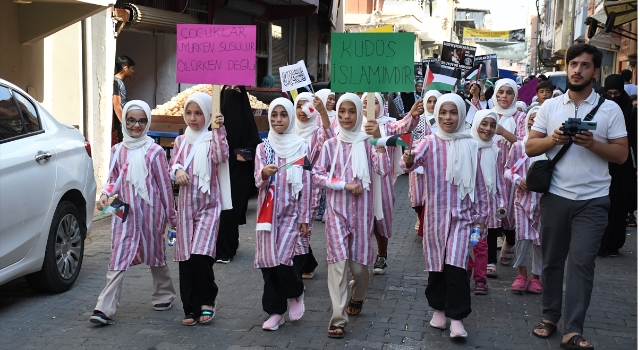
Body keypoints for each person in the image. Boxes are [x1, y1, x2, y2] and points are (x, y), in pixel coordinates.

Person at [526, 44, 628, 349]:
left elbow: (622, 155)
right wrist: (553, 139)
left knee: (582, 262)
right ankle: (549, 316)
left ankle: (573, 329)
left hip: (594, 200)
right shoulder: (550, 107)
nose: (577, 70)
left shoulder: (611, 109)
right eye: (573, 64)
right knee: (552, 260)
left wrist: (592, 144)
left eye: (584, 66)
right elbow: (530, 147)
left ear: (595, 72)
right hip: (556, 195)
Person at [400, 94, 488, 338]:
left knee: (456, 265)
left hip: (463, 218)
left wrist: (482, 217)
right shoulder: (429, 141)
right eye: (443, 113)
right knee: (436, 265)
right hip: (435, 218)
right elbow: (409, 161)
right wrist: (407, 159)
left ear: (461, 115)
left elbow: (479, 184)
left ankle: (457, 318)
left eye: (453, 112)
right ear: (436, 115)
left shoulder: (472, 145)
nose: (448, 117)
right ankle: (438, 309)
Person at [90, 100, 177, 325]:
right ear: (124, 121)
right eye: (131, 120)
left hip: (151, 211)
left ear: (147, 122)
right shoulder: (117, 150)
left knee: (155, 255)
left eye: (141, 121)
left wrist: (171, 216)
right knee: (118, 256)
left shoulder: (155, 151)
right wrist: (104, 195)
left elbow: (165, 186)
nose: (136, 125)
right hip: (123, 210)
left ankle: (164, 294)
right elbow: (113, 179)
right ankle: (104, 308)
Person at [312, 93, 389, 338]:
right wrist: (342, 185)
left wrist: (378, 139)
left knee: (358, 269)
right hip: (336, 213)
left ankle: (358, 295)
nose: (346, 116)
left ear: (359, 113)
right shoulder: (330, 144)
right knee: (337, 264)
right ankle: (338, 317)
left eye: (351, 111)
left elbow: (383, 169)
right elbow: (316, 175)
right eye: (342, 111)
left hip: (362, 214)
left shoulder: (368, 143)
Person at [170, 92, 230, 326]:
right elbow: (173, 163)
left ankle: (207, 302)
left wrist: (219, 130)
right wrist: (177, 171)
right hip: (185, 209)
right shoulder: (180, 141)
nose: (193, 118)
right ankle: (190, 308)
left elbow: (221, 156)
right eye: (189, 112)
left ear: (207, 114)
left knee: (200, 257)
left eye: (198, 113)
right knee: (185, 259)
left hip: (208, 208)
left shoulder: (213, 137)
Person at [254, 98, 310, 331]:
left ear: (291, 117)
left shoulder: (301, 146)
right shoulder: (263, 147)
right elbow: (256, 180)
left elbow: (306, 183)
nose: (278, 119)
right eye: (274, 115)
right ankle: (275, 312)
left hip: (291, 214)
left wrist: (305, 217)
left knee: (284, 261)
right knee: (269, 264)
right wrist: (264, 173)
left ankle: (296, 293)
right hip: (267, 217)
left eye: (283, 115)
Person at [362, 92, 423, 275]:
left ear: (382, 105)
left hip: (382, 181)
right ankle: (362, 256)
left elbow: (404, 126)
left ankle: (381, 254)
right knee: (361, 220)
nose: (369, 107)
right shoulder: (354, 124)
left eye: (374, 103)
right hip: (360, 181)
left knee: (381, 219)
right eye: (365, 102)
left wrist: (412, 114)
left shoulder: (387, 125)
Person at [215, 85, 262, 264]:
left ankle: (225, 250)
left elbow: (254, 144)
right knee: (221, 208)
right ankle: (226, 246)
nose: (231, 93)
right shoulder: (216, 118)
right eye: (227, 91)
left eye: (235, 91)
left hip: (240, 168)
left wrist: (247, 152)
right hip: (222, 165)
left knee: (231, 208)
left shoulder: (245, 118)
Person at [291, 92, 335, 280]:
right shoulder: (287, 129)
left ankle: (296, 269)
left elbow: (331, 137)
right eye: (298, 106)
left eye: (306, 107)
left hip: (309, 188)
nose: (302, 111)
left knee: (304, 227)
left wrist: (323, 113)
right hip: (288, 188)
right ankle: (305, 262)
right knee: (291, 226)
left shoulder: (317, 133)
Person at [504, 108, 545, 294]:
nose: (533, 122)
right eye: (531, 119)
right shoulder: (519, 147)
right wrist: (519, 181)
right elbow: (507, 170)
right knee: (522, 237)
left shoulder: (550, 147)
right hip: (521, 201)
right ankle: (521, 273)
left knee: (540, 241)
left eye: (538, 119)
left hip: (544, 202)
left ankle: (536, 276)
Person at [467, 109, 508, 292]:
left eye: (492, 125)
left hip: (486, 206)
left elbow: (499, 179)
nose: (487, 129)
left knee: (481, 243)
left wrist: (502, 203)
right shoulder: (466, 146)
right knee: (462, 241)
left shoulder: (495, 149)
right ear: (476, 124)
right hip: (466, 203)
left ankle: (481, 278)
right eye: (484, 124)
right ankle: (467, 268)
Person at [598, 74, 636, 257]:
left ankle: (613, 242)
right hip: (602, 162)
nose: (612, 98)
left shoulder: (631, 112)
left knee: (618, 203)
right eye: (609, 94)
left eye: (617, 94)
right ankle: (599, 242)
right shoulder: (601, 110)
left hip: (623, 166)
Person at [491, 79, 526, 268]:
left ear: (515, 96)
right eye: (501, 92)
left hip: (512, 172)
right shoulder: (488, 114)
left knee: (511, 214)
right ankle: (488, 259)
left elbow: (524, 143)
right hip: (491, 172)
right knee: (492, 213)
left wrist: (504, 132)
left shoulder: (521, 117)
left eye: (509, 92)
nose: (504, 96)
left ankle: (510, 242)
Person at [409, 91, 441, 237]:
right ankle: (420, 217)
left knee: (430, 196)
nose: (432, 105)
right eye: (429, 101)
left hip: (435, 165)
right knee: (417, 198)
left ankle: (426, 224)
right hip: (418, 164)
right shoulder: (418, 120)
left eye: (435, 101)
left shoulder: (443, 120)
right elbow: (410, 139)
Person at [112, 55, 135, 143]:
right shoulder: (116, 82)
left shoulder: (120, 82)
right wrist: (125, 125)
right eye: (131, 68)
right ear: (125, 68)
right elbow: (117, 106)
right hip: (120, 124)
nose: (132, 71)